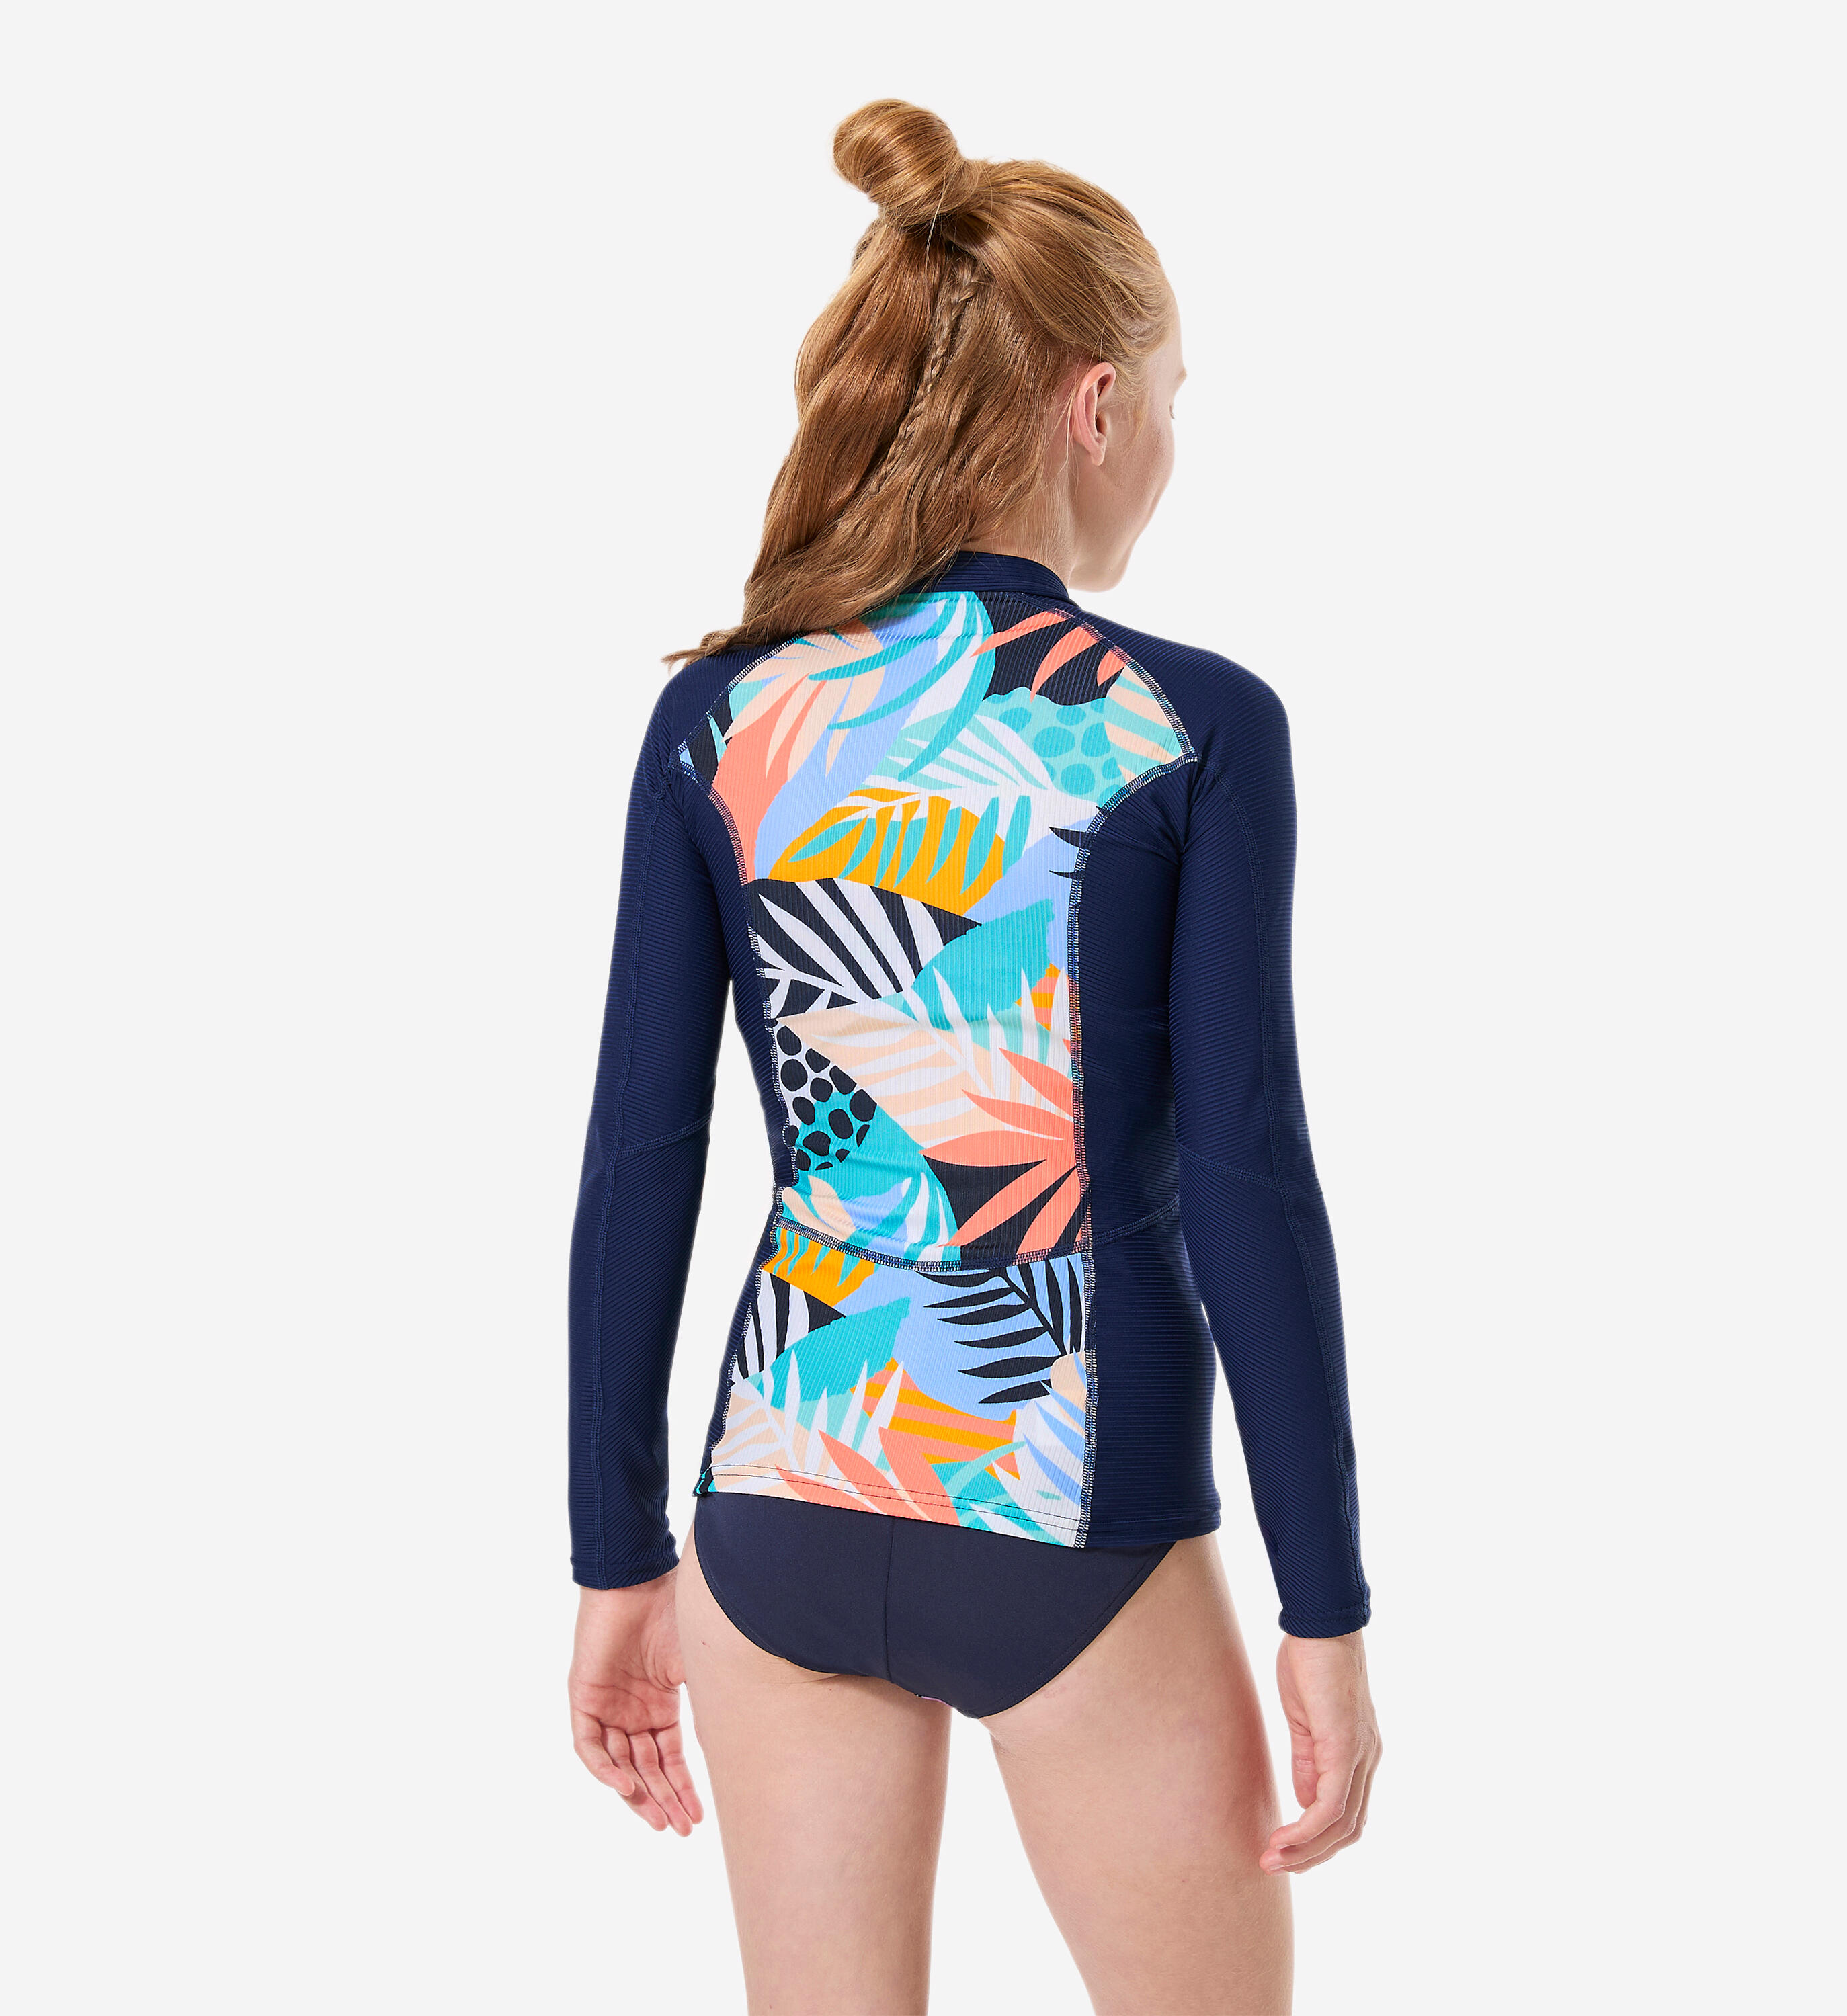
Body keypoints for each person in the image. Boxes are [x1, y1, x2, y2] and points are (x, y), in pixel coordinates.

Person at [565, 99, 1381, 2016]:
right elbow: (1249, 1184)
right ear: (1096, 406)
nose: (1169, 444)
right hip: (1067, 1509)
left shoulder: (725, 717)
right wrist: (1326, 1608)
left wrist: (615, 1558)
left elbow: (637, 1159)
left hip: (783, 1489)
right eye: (1171, 399)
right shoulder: (1188, 727)